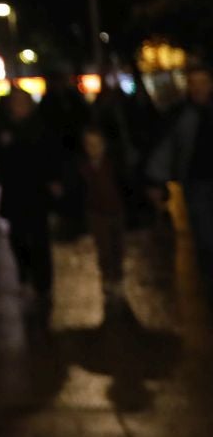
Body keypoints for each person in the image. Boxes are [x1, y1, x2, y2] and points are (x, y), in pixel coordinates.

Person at [0, 89, 63, 311]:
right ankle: (25, 276)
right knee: (18, 238)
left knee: (39, 238)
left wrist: (54, 179)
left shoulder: (40, 127)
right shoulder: (4, 127)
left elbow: (50, 154)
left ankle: (43, 284)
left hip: (36, 191)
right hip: (15, 191)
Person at [146, 63, 213, 271]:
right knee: (204, 239)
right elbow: (166, 148)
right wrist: (155, 181)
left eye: (203, 83)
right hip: (196, 182)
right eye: (194, 83)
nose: (199, 88)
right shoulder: (180, 114)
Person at [78, 125, 128, 303]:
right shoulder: (84, 167)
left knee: (118, 246)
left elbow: (124, 184)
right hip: (96, 212)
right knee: (104, 247)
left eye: (97, 145)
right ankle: (107, 277)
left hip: (116, 210)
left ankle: (118, 277)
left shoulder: (113, 164)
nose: (93, 149)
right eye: (89, 145)